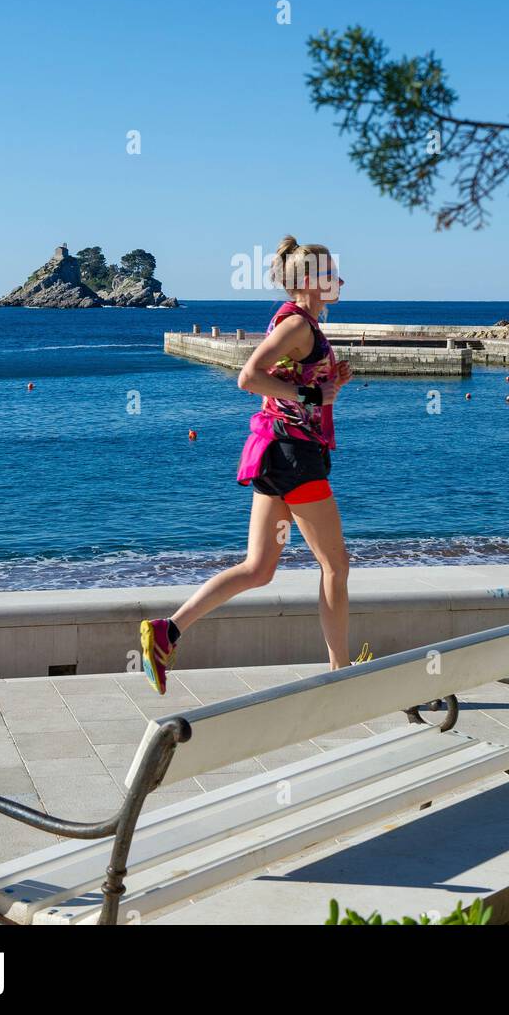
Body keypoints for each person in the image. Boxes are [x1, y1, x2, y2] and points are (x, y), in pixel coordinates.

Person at [139, 235, 371, 694]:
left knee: (259, 568)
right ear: (307, 283)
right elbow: (249, 377)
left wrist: (328, 384)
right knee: (336, 567)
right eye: (330, 275)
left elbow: (292, 391)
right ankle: (340, 672)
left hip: (276, 453)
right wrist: (312, 392)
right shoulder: (298, 326)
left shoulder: (302, 324)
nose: (340, 280)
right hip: (294, 457)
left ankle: (167, 630)